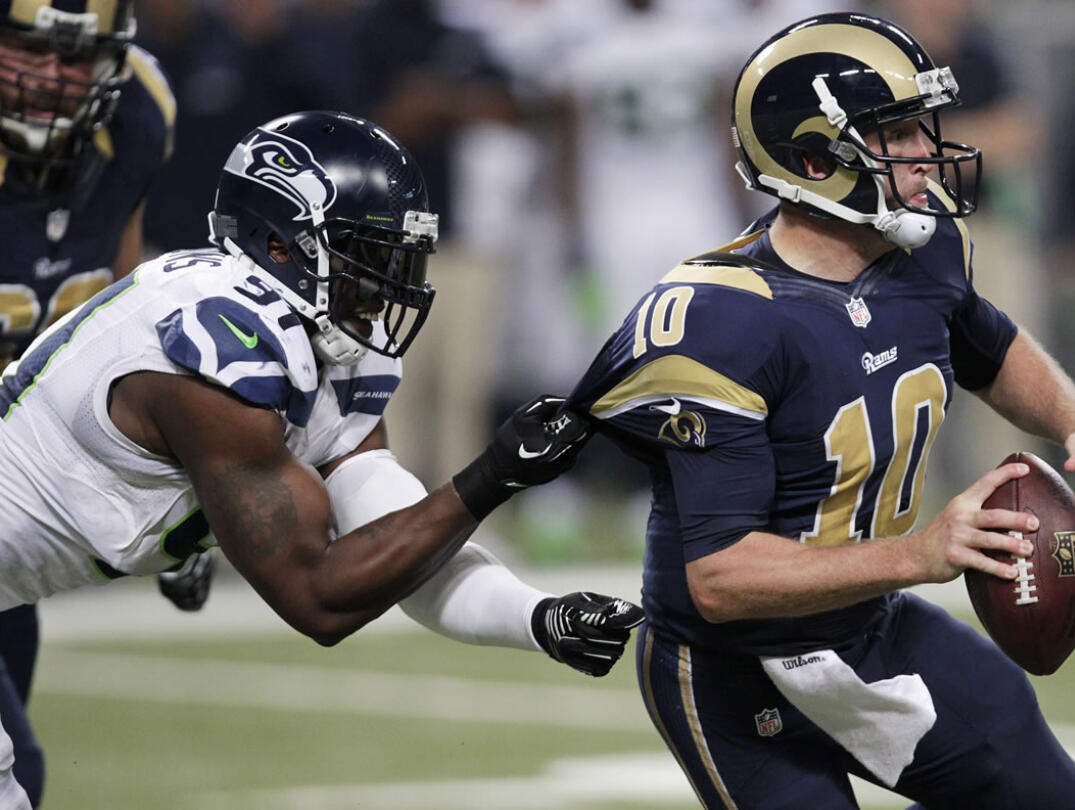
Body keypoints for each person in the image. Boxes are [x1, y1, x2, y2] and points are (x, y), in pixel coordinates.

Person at [565, 13, 1075, 809]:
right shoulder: (725, 320)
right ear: (814, 157)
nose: (927, 150)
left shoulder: (921, 251)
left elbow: (987, 345)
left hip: (866, 628)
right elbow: (719, 578)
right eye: (895, 133)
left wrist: (1074, 419)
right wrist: (921, 554)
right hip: (727, 668)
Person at [0, 109, 642, 810]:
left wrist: (538, 618)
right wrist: (493, 475)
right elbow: (321, 599)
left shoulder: (316, 331)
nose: (387, 282)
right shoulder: (217, 354)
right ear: (279, 243)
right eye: (367, 253)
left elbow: (398, 538)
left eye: (398, 255)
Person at [0, 1, 207, 805]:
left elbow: (117, 325)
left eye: (75, 57)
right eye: (29, 48)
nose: (52, 77)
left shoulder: (137, 116)